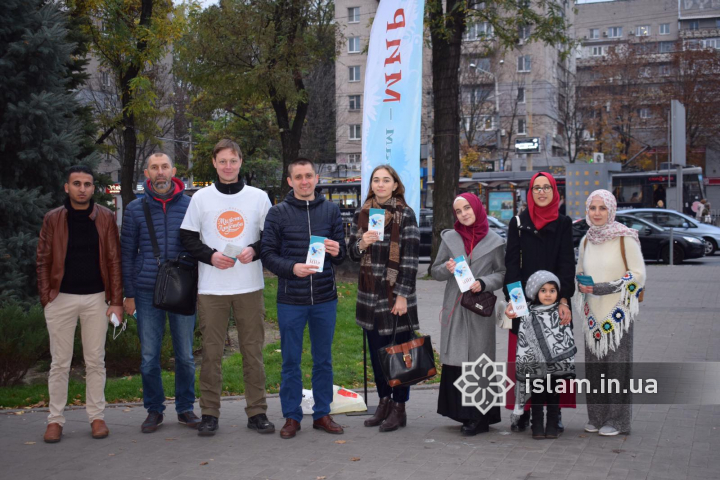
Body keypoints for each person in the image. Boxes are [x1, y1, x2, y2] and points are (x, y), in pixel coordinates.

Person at [179, 139, 274, 436]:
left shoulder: (258, 197)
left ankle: (257, 412)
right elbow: (188, 238)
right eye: (222, 161)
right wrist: (210, 256)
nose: (228, 166)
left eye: (233, 160)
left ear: (241, 161)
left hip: (249, 286)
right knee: (210, 354)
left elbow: (272, 236)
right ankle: (209, 413)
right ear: (214, 163)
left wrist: (254, 250)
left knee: (253, 352)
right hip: (212, 289)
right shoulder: (201, 198)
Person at [36, 165, 123, 443]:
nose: (82, 189)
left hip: (96, 299)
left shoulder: (106, 217)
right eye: (77, 183)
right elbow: (43, 259)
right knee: (59, 363)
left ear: (93, 188)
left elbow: (114, 260)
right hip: (60, 298)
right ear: (67, 187)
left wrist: (116, 301)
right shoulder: (53, 219)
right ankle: (55, 420)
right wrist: (47, 298)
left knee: (95, 361)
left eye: (87, 184)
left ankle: (97, 417)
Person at [261, 158, 346, 439]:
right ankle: (291, 416)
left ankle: (322, 414)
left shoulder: (331, 211)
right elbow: (268, 254)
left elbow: (342, 254)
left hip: (324, 298)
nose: (304, 181)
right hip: (290, 300)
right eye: (298, 177)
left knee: (323, 360)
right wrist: (292, 268)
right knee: (290, 361)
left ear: (316, 177)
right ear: (290, 181)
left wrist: (336, 252)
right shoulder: (278, 213)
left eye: (308, 175)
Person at [121, 153, 200, 433]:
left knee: (186, 356)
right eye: (154, 168)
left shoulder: (191, 205)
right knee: (149, 357)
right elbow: (127, 255)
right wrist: (128, 295)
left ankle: (185, 408)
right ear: (147, 173)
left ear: (173, 170)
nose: (160, 172)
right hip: (145, 290)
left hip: (181, 289)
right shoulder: (134, 209)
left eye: (164, 167)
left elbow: (198, 247)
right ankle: (154, 409)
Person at [347, 165, 420, 433]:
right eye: (376, 180)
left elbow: (411, 260)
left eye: (385, 180)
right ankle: (384, 402)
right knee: (379, 355)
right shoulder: (362, 212)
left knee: (399, 355)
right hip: (369, 298)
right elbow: (352, 254)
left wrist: (402, 296)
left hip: (396, 297)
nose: (380, 184)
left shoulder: (405, 215)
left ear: (395, 185)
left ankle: (399, 408)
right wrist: (361, 243)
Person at [504, 172, 576, 432]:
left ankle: (554, 414)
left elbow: (567, 263)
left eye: (547, 187)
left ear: (554, 191)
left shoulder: (564, 222)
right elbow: (511, 264)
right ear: (530, 192)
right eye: (537, 188)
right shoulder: (518, 222)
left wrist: (564, 299)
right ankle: (526, 411)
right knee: (526, 360)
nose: (542, 192)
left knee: (555, 360)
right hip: (525, 305)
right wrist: (514, 300)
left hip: (555, 303)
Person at [430, 193, 506, 436]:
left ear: (477, 208)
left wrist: (483, 282)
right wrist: (447, 268)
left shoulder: (495, 241)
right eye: (459, 211)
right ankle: (460, 412)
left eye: (467, 208)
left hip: (479, 308)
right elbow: (435, 271)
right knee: (457, 358)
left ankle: (479, 417)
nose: (463, 214)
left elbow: (502, 273)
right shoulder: (450, 238)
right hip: (455, 305)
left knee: (479, 360)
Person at [574, 189, 645, 436]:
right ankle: (597, 417)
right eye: (593, 208)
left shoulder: (625, 238)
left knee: (617, 370)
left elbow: (637, 276)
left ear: (611, 210)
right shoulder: (586, 240)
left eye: (602, 208)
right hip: (592, 316)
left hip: (618, 316)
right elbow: (580, 270)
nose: (596, 213)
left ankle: (618, 421)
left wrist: (602, 288)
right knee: (594, 370)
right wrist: (580, 285)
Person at [505, 271, 576, 440]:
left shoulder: (560, 313)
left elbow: (566, 340)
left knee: (553, 393)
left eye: (552, 290)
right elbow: (523, 341)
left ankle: (552, 425)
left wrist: (564, 361)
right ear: (534, 292)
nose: (548, 294)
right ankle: (537, 425)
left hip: (555, 366)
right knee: (537, 393)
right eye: (543, 290)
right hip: (535, 364)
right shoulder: (528, 314)